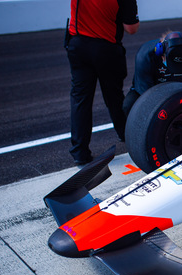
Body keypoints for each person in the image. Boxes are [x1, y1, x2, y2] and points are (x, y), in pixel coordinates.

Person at [66, 0, 140, 166]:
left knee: (80, 100)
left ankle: (79, 152)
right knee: (114, 97)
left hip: (78, 45)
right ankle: (125, 135)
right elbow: (131, 28)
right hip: (106, 48)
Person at [123, 31, 182, 117]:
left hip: (175, 90)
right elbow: (146, 96)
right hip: (149, 91)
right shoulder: (145, 56)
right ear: (161, 53)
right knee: (129, 106)